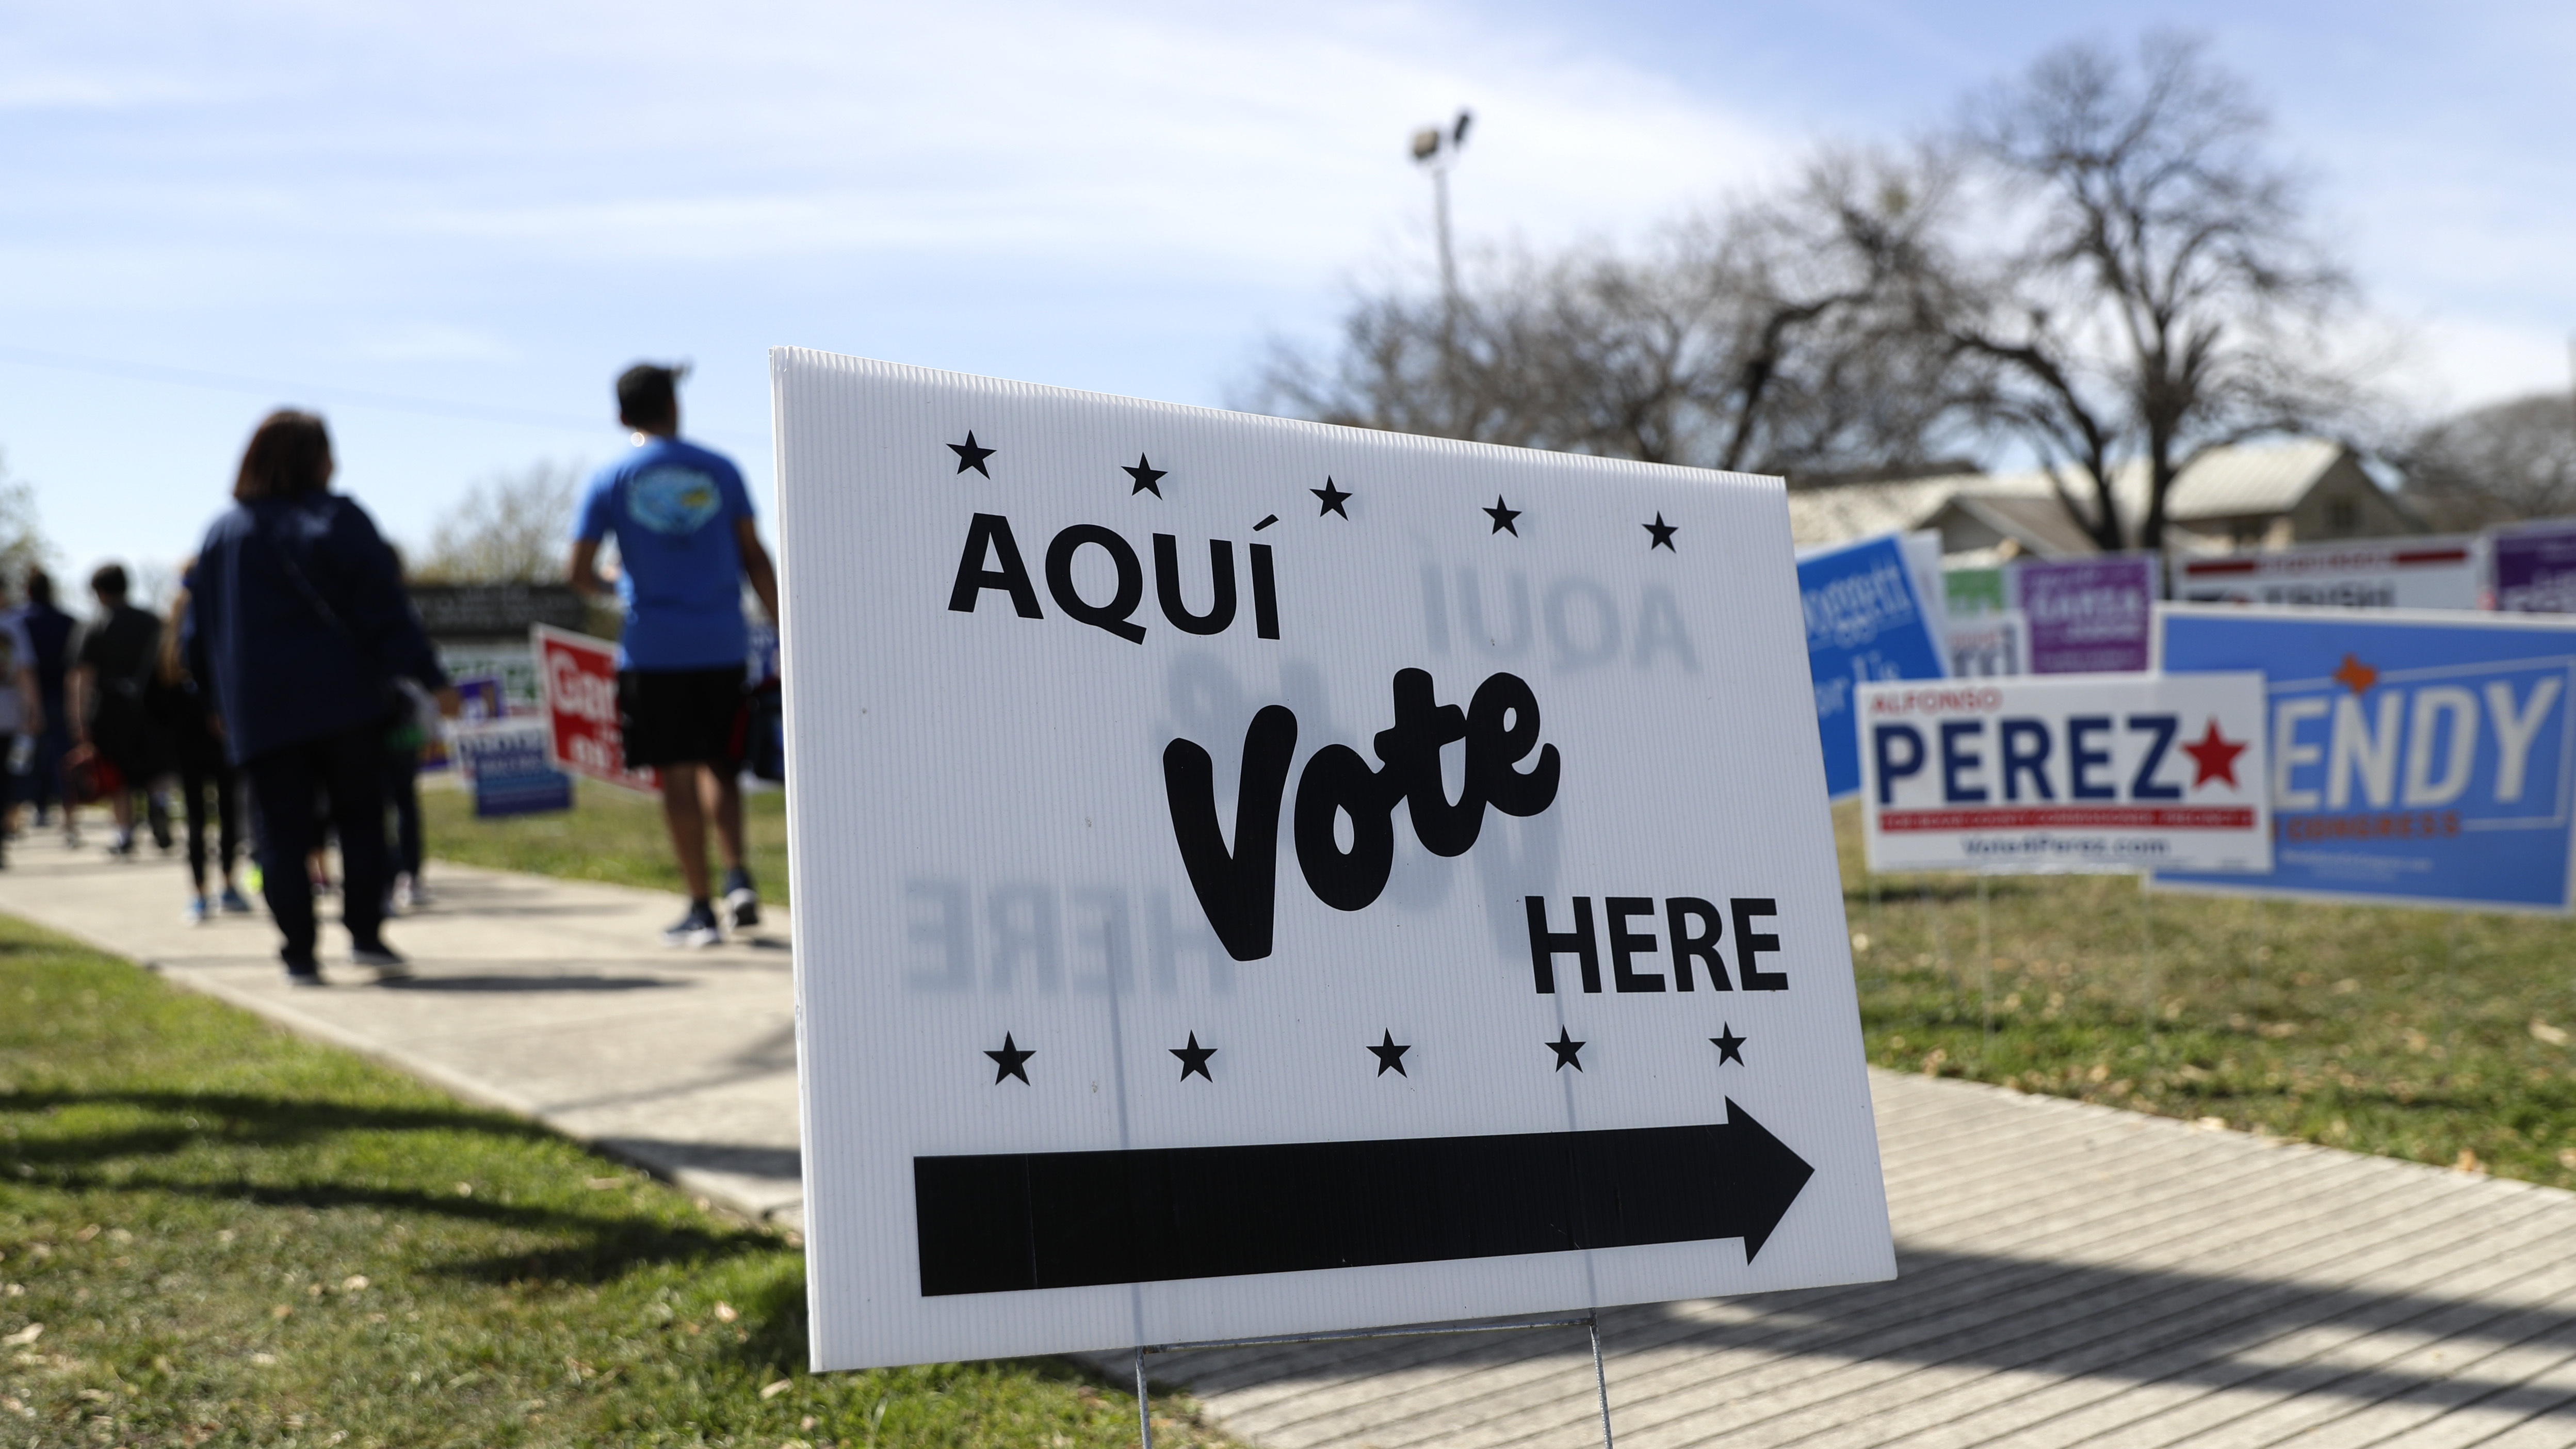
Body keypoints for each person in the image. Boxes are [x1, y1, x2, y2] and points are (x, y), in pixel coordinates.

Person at [187, 409, 456, 985]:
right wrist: (431, 678)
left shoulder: (221, 534)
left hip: (260, 710)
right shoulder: (340, 518)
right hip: (346, 701)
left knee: (279, 831)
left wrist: (213, 701)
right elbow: (386, 609)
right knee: (361, 817)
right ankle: (365, 934)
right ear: (315, 458)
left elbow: (198, 635)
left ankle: (299, 954)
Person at [569, 362, 779, 947]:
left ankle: (700, 908)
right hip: (722, 642)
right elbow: (754, 557)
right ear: (674, 406)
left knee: (677, 775)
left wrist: (617, 583)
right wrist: (786, 627)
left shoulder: (610, 477)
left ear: (621, 416)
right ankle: (739, 877)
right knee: (722, 764)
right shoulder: (721, 469)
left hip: (652, 648)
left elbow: (578, 572)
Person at [160, 565, 252, 923]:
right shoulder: (219, 628)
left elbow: (153, 697)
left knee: (197, 816)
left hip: (185, 740)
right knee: (229, 810)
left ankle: (198, 894)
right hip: (222, 733)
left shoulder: (169, 639)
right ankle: (229, 885)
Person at [69, 564, 175, 858]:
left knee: (119, 774)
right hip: (153, 706)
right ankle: (160, 803)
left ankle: (125, 833)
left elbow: (83, 677)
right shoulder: (152, 621)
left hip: (110, 707)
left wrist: (79, 720)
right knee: (157, 765)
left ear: (100, 591)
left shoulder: (95, 626)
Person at [15, 569, 78, 842]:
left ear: (27, 590)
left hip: (24, 704)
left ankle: (12, 821)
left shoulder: (17, 622)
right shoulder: (69, 622)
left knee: (20, 762)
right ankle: (69, 822)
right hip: (63, 700)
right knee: (65, 761)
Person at [0, 596, 35, 865]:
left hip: (10, 717)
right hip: (9, 716)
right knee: (9, 780)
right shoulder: (12, 624)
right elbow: (24, 672)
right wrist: (34, 709)